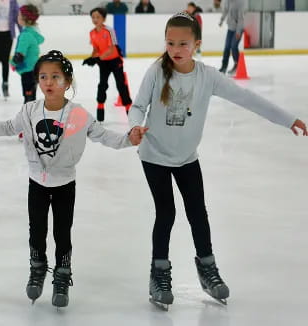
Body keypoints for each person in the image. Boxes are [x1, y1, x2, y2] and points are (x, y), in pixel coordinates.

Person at [128, 12, 307, 309]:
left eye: (183, 43)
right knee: (167, 213)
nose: (176, 49)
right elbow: (137, 106)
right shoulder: (156, 71)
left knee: (198, 212)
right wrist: (135, 126)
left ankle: (208, 269)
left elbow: (247, 99)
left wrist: (287, 119)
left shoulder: (207, 77)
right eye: (170, 42)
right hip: (155, 156)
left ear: (197, 44)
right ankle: (158, 273)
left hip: (186, 158)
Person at [0, 50, 139, 308]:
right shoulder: (29, 111)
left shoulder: (78, 115)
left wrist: (129, 139)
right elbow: (8, 127)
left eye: (56, 77)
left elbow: (104, 136)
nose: (49, 82)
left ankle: (62, 273)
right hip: (36, 183)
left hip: (64, 184)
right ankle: (38, 268)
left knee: (62, 232)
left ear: (68, 83)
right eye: (43, 77)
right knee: (36, 230)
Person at [83, 7, 131, 122]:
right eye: (93, 17)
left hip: (115, 62)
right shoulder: (92, 33)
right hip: (103, 63)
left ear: (104, 18)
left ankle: (129, 109)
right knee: (102, 85)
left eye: (98, 17)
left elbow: (111, 49)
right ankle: (100, 108)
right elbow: (96, 49)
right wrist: (91, 58)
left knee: (121, 85)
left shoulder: (109, 30)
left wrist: (97, 58)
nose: (95, 19)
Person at [11, 4, 43, 104]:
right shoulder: (33, 33)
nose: (17, 17)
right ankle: (31, 114)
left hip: (27, 71)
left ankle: (29, 116)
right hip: (33, 69)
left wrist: (13, 63)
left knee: (28, 97)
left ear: (25, 19)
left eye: (19, 15)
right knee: (31, 95)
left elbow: (20, 55)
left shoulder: (26, 35)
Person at [218, 0, 245, 74]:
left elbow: (241, 18)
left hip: (238, 28)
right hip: (230, 28)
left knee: (233, 46)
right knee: (227, 47)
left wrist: (238, 31)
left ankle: (237, 65)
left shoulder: (240, 2)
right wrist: (221, 20)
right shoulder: (227, 1)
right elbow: (225, 11)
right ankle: (224, 67)